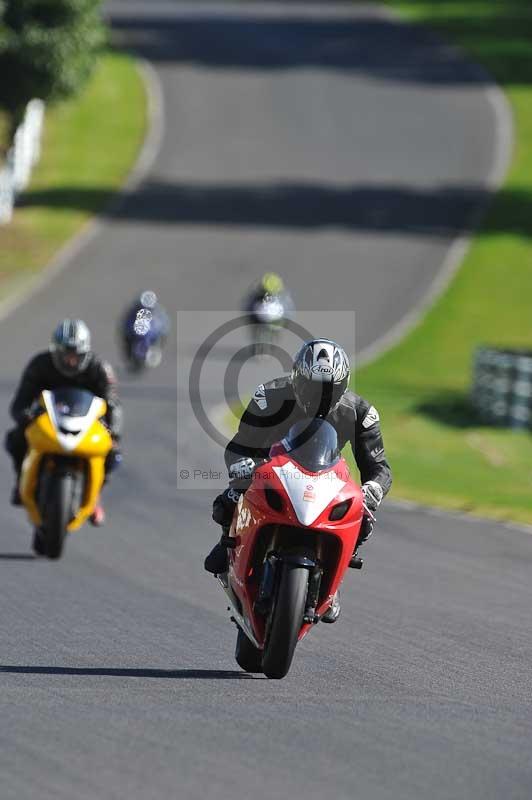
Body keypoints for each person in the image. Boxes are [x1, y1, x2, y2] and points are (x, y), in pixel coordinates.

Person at [204, 338, 392, 623]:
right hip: (271, 469)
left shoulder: (361, 413)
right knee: (228, 501)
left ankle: (334, 580)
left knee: (362, 517)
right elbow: (240, 445)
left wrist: (373, 488)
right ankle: (228, 543)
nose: (322, 396)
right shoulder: (268, 396)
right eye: (314, 387)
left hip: (325, 474)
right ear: (297, 379)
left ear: (344, 385)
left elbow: (378, 467)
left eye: (331, 389)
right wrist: (245, 465)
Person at [5, 319, 122, 526]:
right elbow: (20, 402)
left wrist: (114, 433)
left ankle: (95, 495)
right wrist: (25, 417)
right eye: (65, 355)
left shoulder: (99, 369)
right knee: (15, 440)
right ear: (55, 351)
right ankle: (20, 481)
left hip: (87, 425)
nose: (70, 361)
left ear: (85, 353)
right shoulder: (39, 365)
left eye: (75, 356)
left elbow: (113, 404)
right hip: (47, 423)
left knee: (113, 455)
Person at [121, 290, 170, 368]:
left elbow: (163, 325)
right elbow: (126, 323)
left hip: (150, 334)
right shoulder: (133, 312)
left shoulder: (158, 314)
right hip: (134, 334)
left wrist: (161, 332)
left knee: (158, 342)